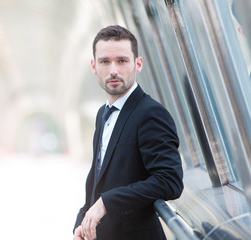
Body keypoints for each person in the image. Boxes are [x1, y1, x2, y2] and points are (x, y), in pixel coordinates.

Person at [73, 25, 184, 240]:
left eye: (122, 61)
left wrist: (107, 202)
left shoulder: (151, 113)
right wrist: (81, 223)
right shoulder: (102, 114)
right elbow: (98, 179)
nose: (113, 70)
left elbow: (169, 180)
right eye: (105, 61)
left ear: (138, 64)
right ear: (94, 66)